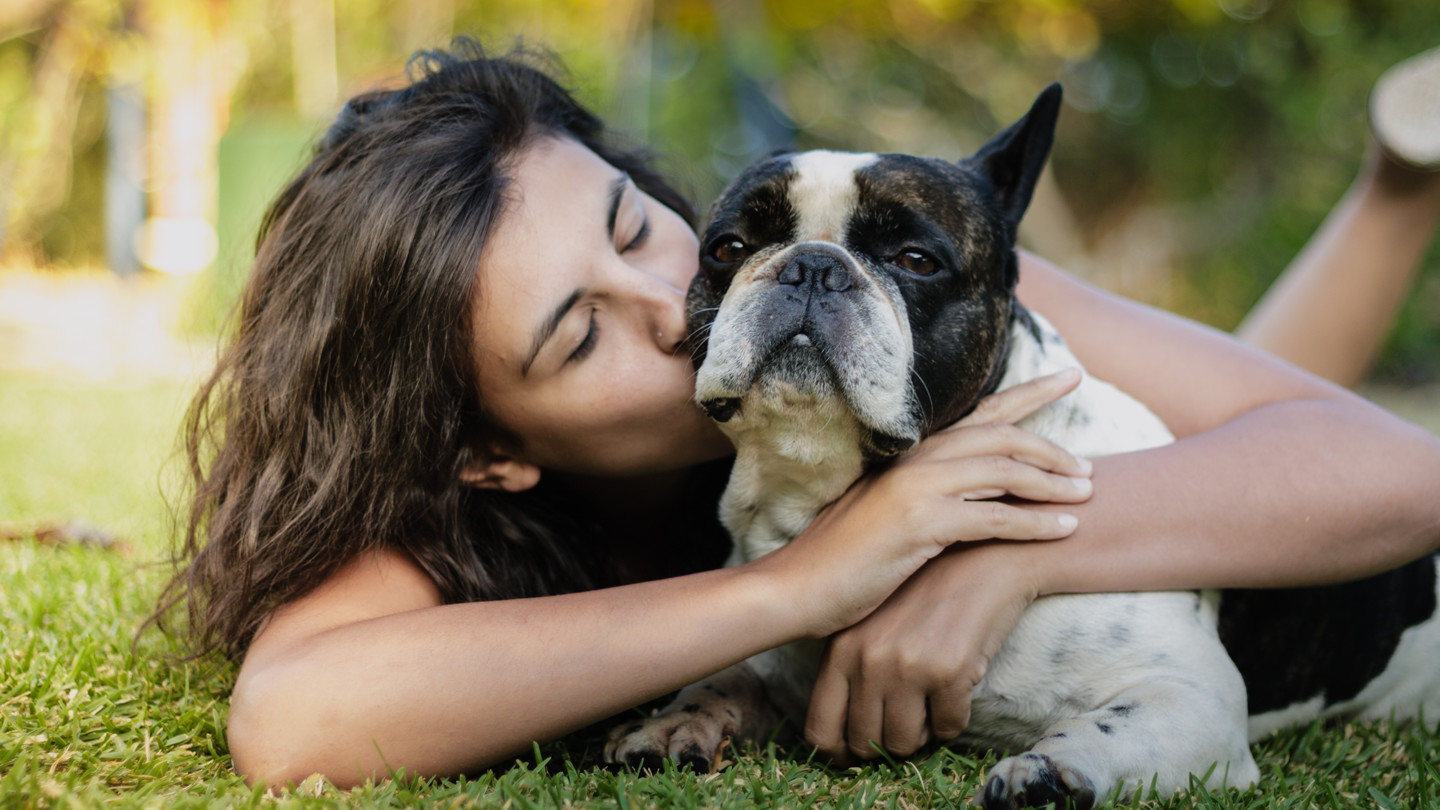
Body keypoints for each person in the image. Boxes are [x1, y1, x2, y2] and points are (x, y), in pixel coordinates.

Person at [154, 40, 1440, 788]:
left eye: (636, 224)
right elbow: (290, 719)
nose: (668, 298)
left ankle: (1395, 183)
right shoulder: (445, 498)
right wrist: (797, 590)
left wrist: (994, 543)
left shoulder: (885, 267)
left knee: (1212, 399)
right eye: (580, 329)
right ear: (489, 450)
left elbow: (1389, 472)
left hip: (1233, 505)